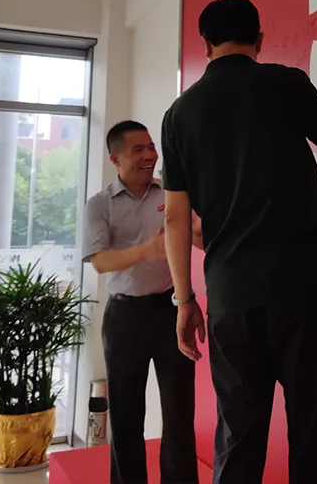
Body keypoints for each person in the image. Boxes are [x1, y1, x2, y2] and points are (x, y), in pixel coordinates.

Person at [159, 0, 317, 484]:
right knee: (314, 430)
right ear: (260, 40)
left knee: (238, 434)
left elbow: (176, 218)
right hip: (306, 287)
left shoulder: (179, 114)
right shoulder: (287, 83)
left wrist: (184, 300)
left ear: (205, 45)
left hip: (232, 295)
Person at [82, 120, 203, 484]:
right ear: (115, 159)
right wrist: (146, 250)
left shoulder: (170, 193)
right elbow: (100, 261)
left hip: (170, 311)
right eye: (139, 149)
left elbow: (196, 236)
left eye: (152, 147)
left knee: (179, 414)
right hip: (124, 318)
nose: (150, 155)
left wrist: (201, 233)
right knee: (126, 415)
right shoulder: (99, 204)